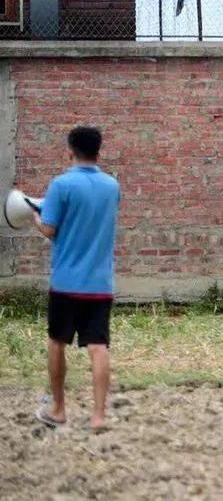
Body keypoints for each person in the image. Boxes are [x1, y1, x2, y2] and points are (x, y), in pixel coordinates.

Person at [32, 125, 120, 430]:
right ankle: (98, 416)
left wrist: (34, 218)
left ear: (70, 151)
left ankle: (57, 409)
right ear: (98, 151)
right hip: (100, 283)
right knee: (98, 347)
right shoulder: (112, 186)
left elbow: (50, 229)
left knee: (57, 342)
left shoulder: (60, 185)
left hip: (66, 283)